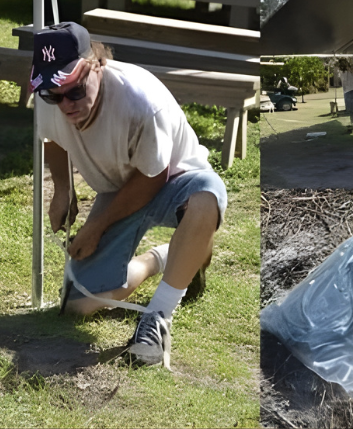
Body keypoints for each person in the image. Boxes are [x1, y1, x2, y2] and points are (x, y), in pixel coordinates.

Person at [29, 22, 227, 365]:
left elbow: (153, 178)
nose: (65, 104)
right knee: (79, 304)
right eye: (53, 95)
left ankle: (158, 317)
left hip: (174, 180)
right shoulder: (52, 95)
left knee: (208, 195)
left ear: (97, 64)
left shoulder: (142, 102)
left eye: (75, 91)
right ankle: (165, 258)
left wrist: (96, 227)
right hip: (119, 189)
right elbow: (53, 140)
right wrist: (62, 190)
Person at [338, 58, 353, 129]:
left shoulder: (342, 71)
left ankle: (352, 121)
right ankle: (352, 121)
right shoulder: (344, 71)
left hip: (348, 90)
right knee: (351, 109)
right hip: (351, 89)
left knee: (350, 109)